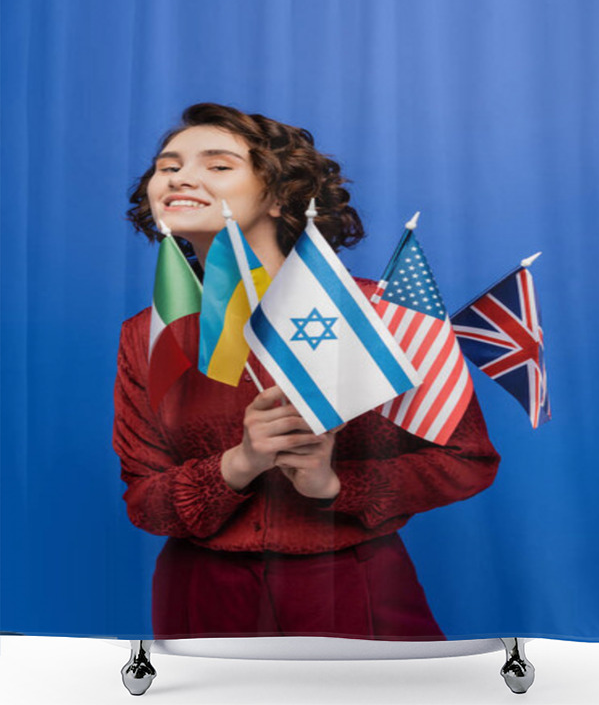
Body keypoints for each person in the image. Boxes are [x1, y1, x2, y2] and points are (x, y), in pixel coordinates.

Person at [112, 102, 500, 640]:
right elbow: (144, 499)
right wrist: (239, 463)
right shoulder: (147, 333)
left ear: (277, 195)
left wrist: (333, 483)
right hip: (202, 589)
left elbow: (467, 460)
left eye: (218, 166)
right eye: (168, 166)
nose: (181, 177)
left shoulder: (378, 314)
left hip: (355, 581)